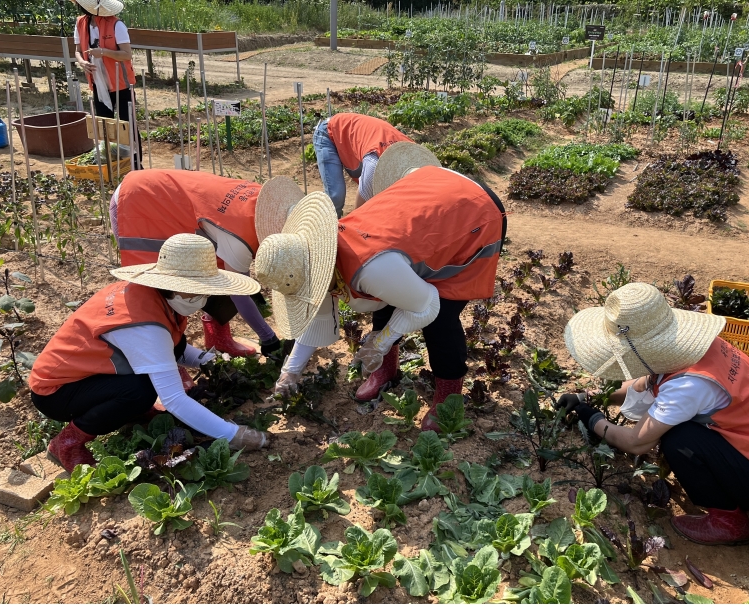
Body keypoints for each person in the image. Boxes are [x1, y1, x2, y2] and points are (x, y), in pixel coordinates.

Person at [255, 142, 507, 431]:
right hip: (428, 199)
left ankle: (447, 397)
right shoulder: (318, 254)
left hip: (470, 210)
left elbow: (428, 304)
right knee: (386, 300)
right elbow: (317, 313)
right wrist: (291, 371)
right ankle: (386, 371)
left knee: (441, 318)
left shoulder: (371, 268)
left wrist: (381, 341)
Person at [557, 282, 749, 545]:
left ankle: (728, 521)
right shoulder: (701, 350)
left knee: (681, 439)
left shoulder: (689, 386)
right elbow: (645, 383)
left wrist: (592, 419)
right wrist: (588, 397)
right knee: (679, 430)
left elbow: (637, 442)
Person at [29, 234, 272, 472]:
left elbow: (170, 348)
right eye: (196, 290)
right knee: (139, 392)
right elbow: (174, 399)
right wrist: (232, 434)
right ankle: (67, 443)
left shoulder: (149, 295)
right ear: (172, 287)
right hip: (56, 391)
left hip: (85, 374)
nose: (203, 298)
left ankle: (129, 412)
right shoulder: (145, 325)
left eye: (206, 290)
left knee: (148, 381)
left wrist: (207, 361)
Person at [111, 170, 303, 358]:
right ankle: (171, 358)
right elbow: (239, 293)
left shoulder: (268, 204)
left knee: (211, 268)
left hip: (173, 200)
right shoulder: (239, 239)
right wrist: (268, 338)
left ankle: (219, 340)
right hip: (138, 201)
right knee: (167, 284)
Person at [73, 0, 141, 168]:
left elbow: (126, 54)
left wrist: (103, 52)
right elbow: (77, 50)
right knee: (105, 123)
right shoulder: (81, 22)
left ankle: (135, 163)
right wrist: (82, 62)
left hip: (121, 82)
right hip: (98, 82)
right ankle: (111, 164)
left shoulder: (116, 25)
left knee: (128, 123)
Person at [312, 112, 412, 217]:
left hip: (362, 139)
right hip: (329, 131)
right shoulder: (375, 165)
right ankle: (326, 229)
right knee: (335, 196)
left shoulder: (414, 153)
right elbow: (359, 210)